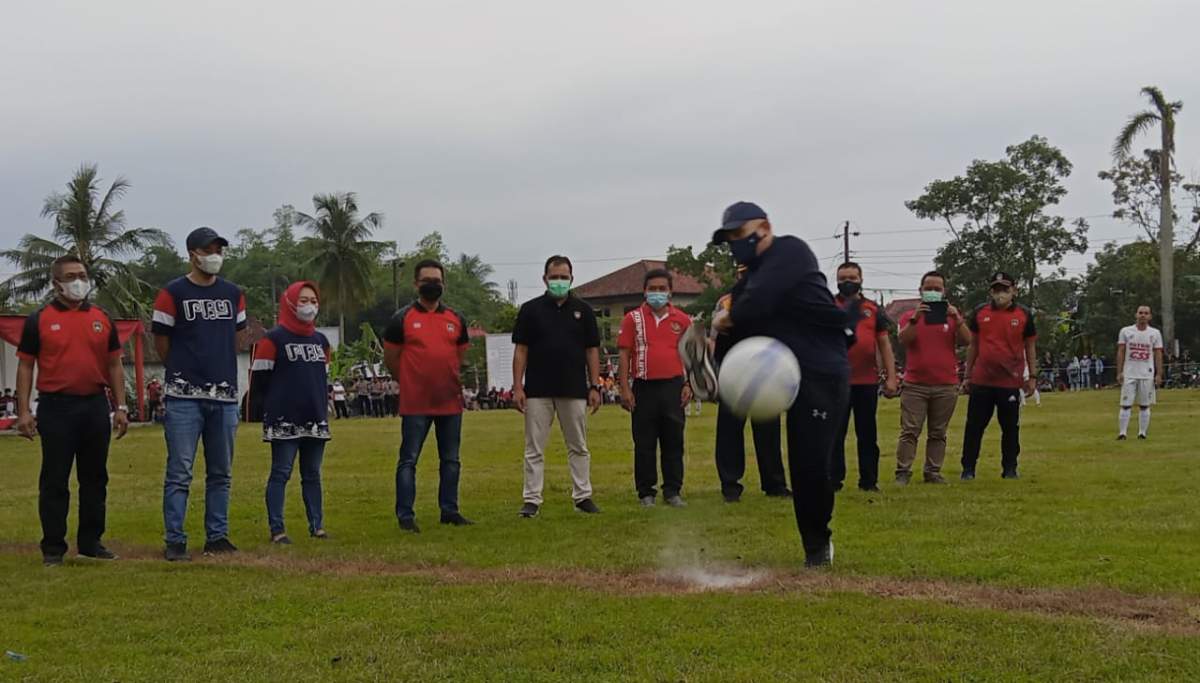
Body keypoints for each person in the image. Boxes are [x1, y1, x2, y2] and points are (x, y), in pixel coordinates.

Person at [709, 201, 850, 567]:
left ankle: (819, 543)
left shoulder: (791, 251)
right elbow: (733, 335)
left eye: (741, 234)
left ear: (766, 227)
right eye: (730, 240)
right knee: (800, 463)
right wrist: (714, 347)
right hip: (784, 376)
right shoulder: (747, 283)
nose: (737, 244)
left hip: (822, 369)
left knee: (812, 464)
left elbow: (756, 304)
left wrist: (727, 317)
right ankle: (815, 546)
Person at [15, 254, 129, 566]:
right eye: (70, 276)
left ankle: (91, 542)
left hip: (94, 404)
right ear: (56, 284)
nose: (78, 281)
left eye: (81, 274)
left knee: (95, 478)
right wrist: (23, 411)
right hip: (56, 407)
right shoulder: (38, 320)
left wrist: (120, 406)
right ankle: (53, 547)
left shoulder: (102, 318)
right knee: (54, 479)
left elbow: (115, 364)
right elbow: (26, 366)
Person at [152, 226, 247, 561]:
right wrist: (180, 369)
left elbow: (237, 336)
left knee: (221, 472)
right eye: (208, 250)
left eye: (219, 249)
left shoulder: (233, 293)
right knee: (180, 471)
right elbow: (161, 339)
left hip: (223, 397)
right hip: (184, 397)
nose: (215, 256)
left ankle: (217, 536)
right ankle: (175, 540)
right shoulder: (173, 293)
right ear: (193, 254)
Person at [383, 259, 474, 532]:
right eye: (427, 281)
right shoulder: (402, 319)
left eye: (437, 281)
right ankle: (406, 516)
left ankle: (449, 510)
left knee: (451, 460)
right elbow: (392, 358)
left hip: (450, 401)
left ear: (443, 284)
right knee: (409, 460)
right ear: (416, 284)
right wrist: (410, 381)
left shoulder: (456, 319)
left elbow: (460, 355)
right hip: (415, 403)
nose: (432, 285)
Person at [511, 255, 603, 518]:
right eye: (554, 277)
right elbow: (521, 351)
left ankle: (583, 496)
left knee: (579, 446)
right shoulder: (530, 310)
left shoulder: (583, 311)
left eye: (564, 277)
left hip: (574, 389)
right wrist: (518, 387)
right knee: (534, 449)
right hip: (537, 391)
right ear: (544, 278)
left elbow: (592, 351)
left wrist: (595, 385)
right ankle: (531, 500)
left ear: (572, 278)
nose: (559, 281)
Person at [248, 282, 331, 543]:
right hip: (284, 418)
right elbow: (259, 380)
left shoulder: (321, 341)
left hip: (315, 418)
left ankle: (317, 525)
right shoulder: (273, 339)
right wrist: (262, 413)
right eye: (303, 300)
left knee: (313, 474)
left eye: (313, 300)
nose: (309, 305)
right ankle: (277, 529)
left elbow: (323, 378)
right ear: (291, 303)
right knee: (281, 472)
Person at [711, 266, 790, 502]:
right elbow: (714, 340)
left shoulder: (775, 301)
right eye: (742, 273)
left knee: (769, 432)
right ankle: (730, 486)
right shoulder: (725, 303)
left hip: (766, 376)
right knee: (729, 432)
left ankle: (774, 484)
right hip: (732, 374)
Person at [617, 269, 694, 507]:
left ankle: (672, 491)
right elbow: (624, 354)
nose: (657, 293)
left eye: (662, 289)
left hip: (673, 386)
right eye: (653, 289)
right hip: (643, 386)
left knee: (673, 441)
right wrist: (624, 388)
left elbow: (690, 354)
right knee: (644, 443)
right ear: (645, 291)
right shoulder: (633, 318)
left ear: (670, 291)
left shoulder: (682, 319)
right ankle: (646, 492)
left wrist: (689, 383)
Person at [894, 271, 971, 484]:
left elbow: (967, 341)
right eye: (929, 288)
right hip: (915, 384)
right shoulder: (909, 316)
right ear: (920, 290)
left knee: (938, 432)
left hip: (945, 384)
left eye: (937, 289)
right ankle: (903, 472)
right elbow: (903, 339)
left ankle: (933, 472)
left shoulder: (952, 317)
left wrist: (958, 318)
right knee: (910, 430)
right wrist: (915, 318)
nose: (933, 292)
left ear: (944, 292)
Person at [960, 272, 1037, 481]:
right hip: (982, 380)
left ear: (1014, 290)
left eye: (1005, 288)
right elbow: (973, 345)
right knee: (974, 426)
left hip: (1010, 381)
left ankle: (1010, 468)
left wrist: (1033, 377)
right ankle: (968, 469)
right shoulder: (980, 313)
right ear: (990, 291)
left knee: (1010, 428)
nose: (1000, 293)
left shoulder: (1024, 314)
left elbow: (1030, 346)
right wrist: (967, 376)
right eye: (996, 289)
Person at [831, 262, 899, 492]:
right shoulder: (828, 306)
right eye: (842, 278)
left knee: (867, 435)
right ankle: (833, 480)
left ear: (860, 279)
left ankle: (869, 481)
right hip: (836, 383)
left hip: (866, 383)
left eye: (852, 277)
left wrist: (892, 378)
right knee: (834, 435)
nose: (847, 282)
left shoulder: (872, 308)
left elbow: (884, 344)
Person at [1116, 305, 1164, 440]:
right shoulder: (1126, 331)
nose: (1143, 315)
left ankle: (1142, 433)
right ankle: (1122, 433)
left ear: (1150, 316)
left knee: (1144, 405)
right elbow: (1121, 351)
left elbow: (1158, 353)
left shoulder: (1154, 333)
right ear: (1136, 315)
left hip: (1146, 374)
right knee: (1125, 404)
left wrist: (1159, 374)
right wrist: (1119, 371)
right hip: (1129, 373)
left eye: (1146, 313)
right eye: (1140, 313)